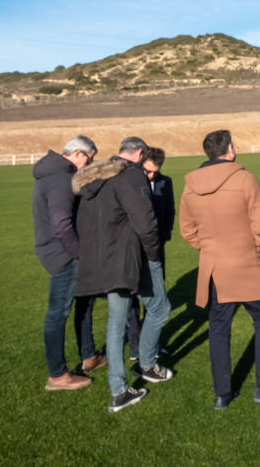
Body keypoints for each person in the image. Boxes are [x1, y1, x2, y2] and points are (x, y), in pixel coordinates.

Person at [181, 129, 260, 409]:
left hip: (215, 268)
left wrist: (209, 248)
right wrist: (256, 251)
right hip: (246, 263)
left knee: (219, 328)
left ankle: (223, 393)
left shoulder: (190, 185)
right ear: (230, 149)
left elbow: (187, 230)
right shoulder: (245, 179)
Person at [74, 136, 172, 413]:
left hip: (102, 260)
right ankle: (145, 365)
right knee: (160, 308)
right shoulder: (130, 175)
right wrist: (153, 255)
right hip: (131, 258)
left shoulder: (95, 178)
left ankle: (121, 388)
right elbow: (146, 220)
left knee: (118, 321)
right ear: (140, 153)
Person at [31, 135, 104, 391]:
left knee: (85, 302)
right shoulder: (61, 179)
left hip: (64, 252)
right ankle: (58, 375)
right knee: (58, 313)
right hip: (64, 254)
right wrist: (78, 254)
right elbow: (61, 223)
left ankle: (89, 356)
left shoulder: (54, 175)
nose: (88, 164)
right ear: (79, 154)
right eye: (89, 158)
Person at [125, 147, 174, 360]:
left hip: (156, 247)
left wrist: (165, 234)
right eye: (148, 171)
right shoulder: (129, 183)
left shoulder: (166, 182)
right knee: (132, 299)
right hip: (133, 249)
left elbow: (169, 211)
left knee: (156, 297)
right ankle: (135, 345)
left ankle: (153, 343)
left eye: (156, 171)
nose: (152, 175)